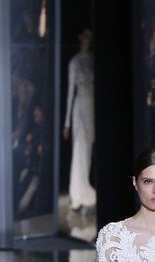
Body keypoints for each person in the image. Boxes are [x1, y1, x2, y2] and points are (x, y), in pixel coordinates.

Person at [63, 28, 96, 212]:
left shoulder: (92, 60)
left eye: (90, 37)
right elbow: (70, 92)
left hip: (91, 108)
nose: (88, 39)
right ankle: (77, 193)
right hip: (80, 108)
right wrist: (66, 123)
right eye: (86, 36)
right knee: (79, 150)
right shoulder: (74, 62)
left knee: (88, 150)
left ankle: (85, 187)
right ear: (80, 37)